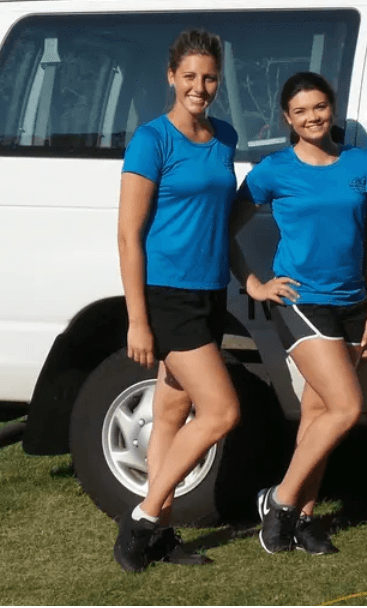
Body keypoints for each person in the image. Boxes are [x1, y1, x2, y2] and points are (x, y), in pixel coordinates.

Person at [229, 72, 367, 556]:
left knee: (318, 414)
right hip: (302, 301)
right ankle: (278, 501)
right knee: (347, 407)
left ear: (332, 108)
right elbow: (223, 229)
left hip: (353, 303)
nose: (313, 117)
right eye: (301, 111)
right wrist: (253, 283)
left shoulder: (361, 163)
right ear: (287, 118)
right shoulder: (273, 170)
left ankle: (303, 517)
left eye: (320, 107)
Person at [114, 28, 240, 573]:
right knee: (222, 411)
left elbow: (224, 217)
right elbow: (128, 234)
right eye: (189, 76)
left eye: (209, 77)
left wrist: (248, 279)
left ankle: (160, 532)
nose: (200, 86)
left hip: (209, 290)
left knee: (171, 412)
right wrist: (137, 320)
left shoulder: (225, 136)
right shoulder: (152, 140)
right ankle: (141, 519)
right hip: (168, 297)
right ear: (172, 77)